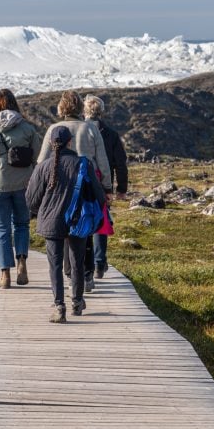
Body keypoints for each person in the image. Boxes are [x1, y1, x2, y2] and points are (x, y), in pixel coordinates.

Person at [26, 126, 107, 323]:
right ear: (70, 142)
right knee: (77, 261)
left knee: (55, 264)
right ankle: (77, 302)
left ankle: (59, 305)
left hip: (51, 221)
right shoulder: (83, 164)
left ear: (51, 144)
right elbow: (98, 194)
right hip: (78, 220)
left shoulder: (43, 167)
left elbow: (30, 199)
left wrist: (43, 211)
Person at [36, 90, 112, 290]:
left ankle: (70, 274)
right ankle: (86, 275)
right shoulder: (90, 129)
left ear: (61, 108)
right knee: (84, 230)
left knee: (64, 230)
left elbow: (42, 161)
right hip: (86, 186)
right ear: (80, 108)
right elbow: (102, 160)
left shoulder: (54, 128)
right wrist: (107, 188)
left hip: (59, 185)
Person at [0, 89, 42, 289]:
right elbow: (39, 160)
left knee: (1, 229)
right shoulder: (28, 129)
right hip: (24, 185)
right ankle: (21, 263)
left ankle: (5, 275)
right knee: (21, 225)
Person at [84, 95, 128, 278]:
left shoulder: (78, 130)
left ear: (85, 110)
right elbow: (121, 163)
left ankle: (85, 263)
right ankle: (99, 263)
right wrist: (121, 189)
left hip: (81, 182)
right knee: (100, 220)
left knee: (83, 219)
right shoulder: (110, 134)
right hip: (103, 184)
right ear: (101, 111)